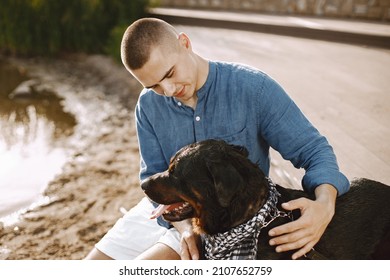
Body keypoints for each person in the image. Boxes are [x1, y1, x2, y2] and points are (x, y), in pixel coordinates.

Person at [85, 18, 349, 260]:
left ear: (185, 44)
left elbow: (314, 151)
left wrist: (325, 204)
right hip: (170, 212)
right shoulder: (148, 105)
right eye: (153, 85)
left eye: (169, 74)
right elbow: (152, 174)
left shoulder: (253, 88)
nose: (167, 91)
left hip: (221, 222)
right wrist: (184, 226)